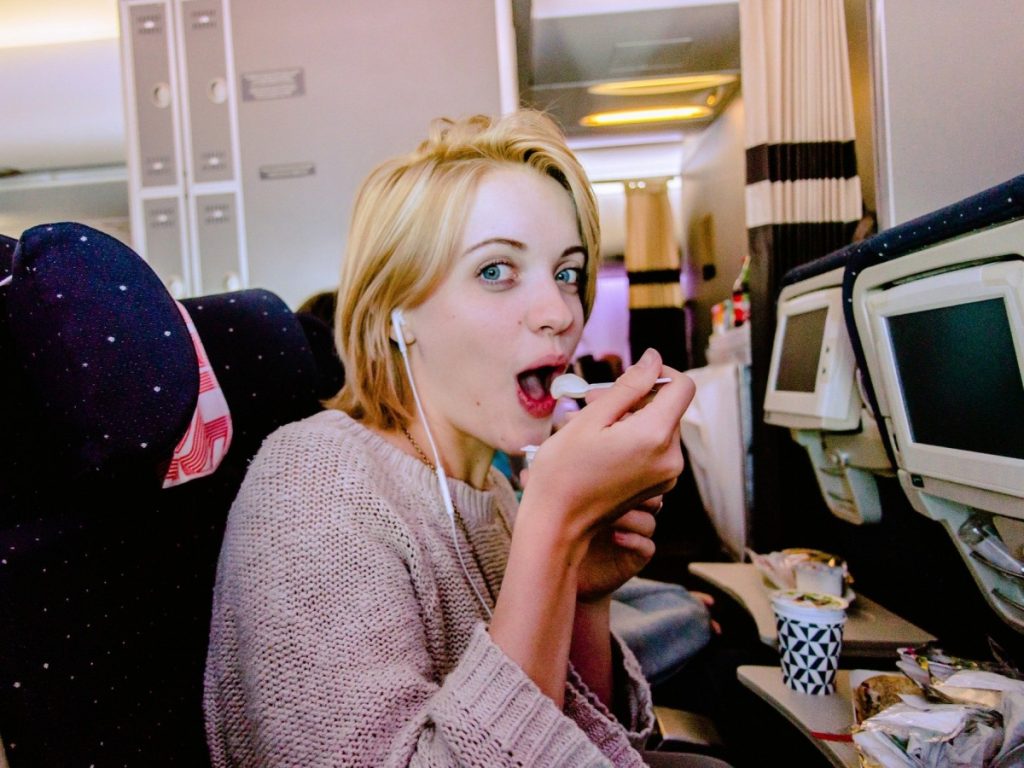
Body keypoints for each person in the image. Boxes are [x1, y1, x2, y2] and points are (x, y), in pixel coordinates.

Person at [203, 110, 696, 767]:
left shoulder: (491, 490)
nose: (559, 313)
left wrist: (583, 592)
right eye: (496, 271)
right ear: (396, 312)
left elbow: (583, 742)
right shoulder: (312, 484)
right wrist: (553, 526)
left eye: (568, 273)